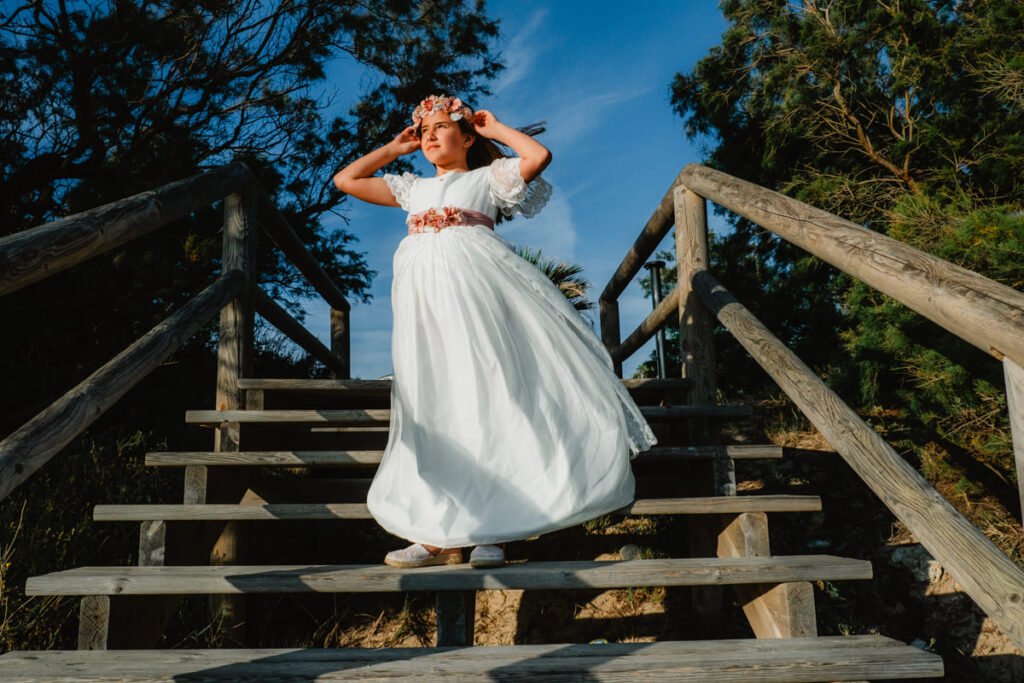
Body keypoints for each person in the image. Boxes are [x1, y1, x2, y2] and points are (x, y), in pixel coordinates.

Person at [332, 94, 657, 570]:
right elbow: (346, 180)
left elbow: (537, 156)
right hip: (424, 309)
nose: (430, 136)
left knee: (485, 395)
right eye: (424, 131)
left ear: (466, 138)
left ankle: (492, 530)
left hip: (477, 298)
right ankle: (435, 532)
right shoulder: (412, 188)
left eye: (441, 127)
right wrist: (393, 149)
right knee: (433, 402)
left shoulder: (487, 178)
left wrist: (494, 127)